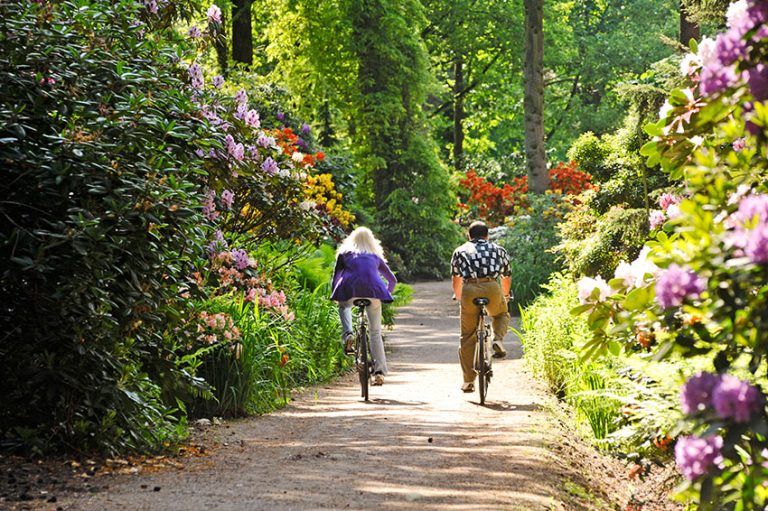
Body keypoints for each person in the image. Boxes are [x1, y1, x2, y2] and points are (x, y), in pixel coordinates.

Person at [331, 227, 397, 386]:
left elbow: (336, 278)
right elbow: (392, 280)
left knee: (344, 307)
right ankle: (380, 371)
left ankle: (348, 334)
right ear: (371, 240)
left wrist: (336, 295)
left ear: (351, 240)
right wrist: (384, 294)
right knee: (375, 332)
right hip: (374, 293)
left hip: (350, 291)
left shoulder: (344, 255)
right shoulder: (375, 256)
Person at [450, 220, 512, 393]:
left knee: (467, 336)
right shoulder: (499, 250)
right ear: (487, 235)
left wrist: (459, 296)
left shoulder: (460, 250)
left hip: (469, 288)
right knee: (501, 314)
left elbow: (456, 278)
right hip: (492, 287)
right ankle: (497, 340)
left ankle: (469, 381)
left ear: (469, 235)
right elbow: (506, 276)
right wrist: (505, 296)